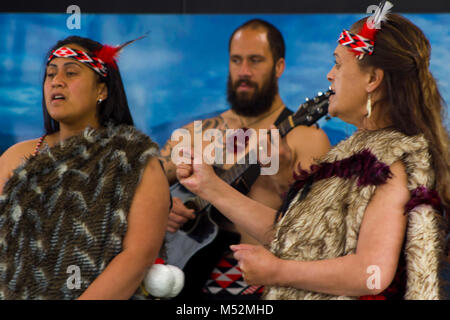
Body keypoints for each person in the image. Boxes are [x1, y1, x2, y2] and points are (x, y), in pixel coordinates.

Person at [176, 5, 450, 300]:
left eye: (339, 64)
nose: (330, 75)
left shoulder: (390, 164)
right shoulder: (353, 155)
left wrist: (276, 271)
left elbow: (371, 274)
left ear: (372, 80)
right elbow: (295, 235)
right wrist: (210, 186)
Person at [160, 19, 331, 299]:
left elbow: (317, 235)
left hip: (261, 288)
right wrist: (163, 205)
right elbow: (139, 185)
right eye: (236, 60)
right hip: (183, 281)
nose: (244, 71)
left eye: (255, 61)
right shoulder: (196, 133)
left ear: (279, 67)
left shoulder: (305, 139)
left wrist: (280, 183)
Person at [0, 36, 170, 299]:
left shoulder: (134, 159)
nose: (56, 81)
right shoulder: (16, 156)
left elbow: (138, 256)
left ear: (101, 90)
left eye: (71, 72)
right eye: (50, 74)